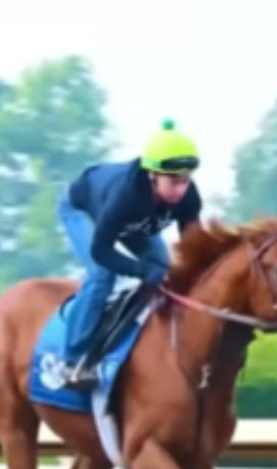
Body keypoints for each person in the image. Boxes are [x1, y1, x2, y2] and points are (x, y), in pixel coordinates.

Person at [54, 117, 203, 390]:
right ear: (152, 175)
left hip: (134, 223)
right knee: (103, 275)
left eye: (185, 180)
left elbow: (195, 249)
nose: (180, 189)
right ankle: (70, 362)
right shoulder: (126, 197)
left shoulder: (189, 198)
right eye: (173, 181)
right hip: (83, 209)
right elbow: (101, 251)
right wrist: (143, 271)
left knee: (165, 269)